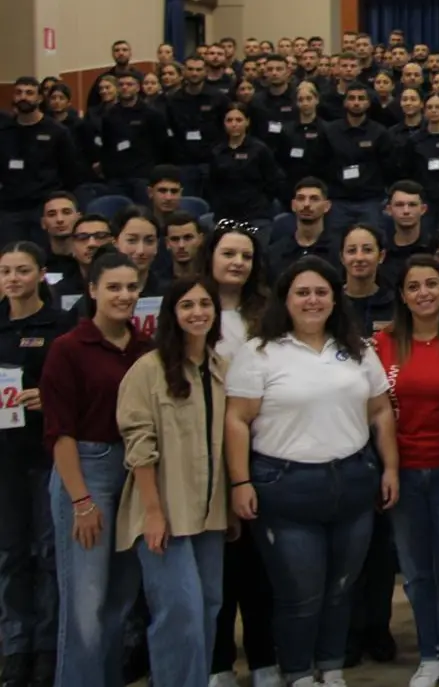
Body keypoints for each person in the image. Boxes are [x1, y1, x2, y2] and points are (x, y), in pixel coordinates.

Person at [224, 256, 399, 687]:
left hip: (354, 482)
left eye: (321, 292)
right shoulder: (259, 352)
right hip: (286, 489)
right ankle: (299, 673)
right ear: (285, 299)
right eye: (302, 292)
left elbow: (380, 410)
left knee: (342, 589)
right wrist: (239, 480)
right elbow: (236, 420)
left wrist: (391, 467)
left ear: (334, 299)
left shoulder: (356, 347)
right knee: (300, 596)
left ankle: (331, 667)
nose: (313, 300)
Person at [39, 247, 152, 687]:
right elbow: (59, 433)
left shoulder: (145, 348)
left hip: (134, 470)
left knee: (119, 602)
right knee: (85, 604)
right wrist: (81, 500)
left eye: (130, 287)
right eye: (113, 287)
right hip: (87, 471)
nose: (123, 295)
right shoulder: (68, 349)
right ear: (92, 290)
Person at [113, 276, 229, 685]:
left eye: (205, 304)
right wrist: (153, 513)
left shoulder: (219, 366)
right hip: (164, 511)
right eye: (187, 305)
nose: (197, 312)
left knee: (209, 606)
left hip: (211, 512)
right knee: (179, 612)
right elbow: (138, 444)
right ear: (172, 314)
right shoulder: (148, 369)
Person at [372, 256, 439, 687]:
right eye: (413, 286)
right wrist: (391, 469)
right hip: (404, 470)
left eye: (431, 284)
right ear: (401, 294)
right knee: (416, 574)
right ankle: (430, 653)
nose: (423, 293)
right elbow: (377, 410)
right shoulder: (385, 342)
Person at [196, 221, 280, 687]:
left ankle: (265, 658)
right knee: (218, 564)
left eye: (245, 256)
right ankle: (218, 661)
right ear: (210, 256)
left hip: (257, 445)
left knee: (258, 564)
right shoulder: (193, 305)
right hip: (202, 450)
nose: (237, 263)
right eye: (229, 253)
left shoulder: (266, 314)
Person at [0, 241, 73, 687]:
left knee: (48, 555)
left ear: (40, 274)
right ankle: (14, 646)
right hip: (3, 458)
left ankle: (47, 646)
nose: (13, 278)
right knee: (9, 555)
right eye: (6, 270)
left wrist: (48, 399)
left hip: (47, 455)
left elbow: (75, 388)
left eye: (22, 270)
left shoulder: (61, 327)